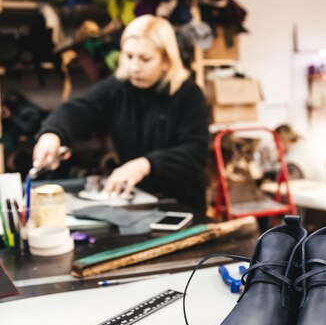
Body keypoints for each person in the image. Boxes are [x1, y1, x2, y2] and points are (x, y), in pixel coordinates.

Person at [33, 15, 210, 212]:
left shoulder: (188, 94)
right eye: (128, 56)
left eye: (145, 59)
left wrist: (146, 165)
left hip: (183, 207)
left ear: (166, 60)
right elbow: (78, 110)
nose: (134, 67)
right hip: (137, 203)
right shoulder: (117, 88)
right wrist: (52, 134)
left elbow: (196, 152)